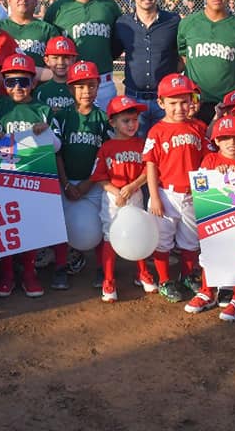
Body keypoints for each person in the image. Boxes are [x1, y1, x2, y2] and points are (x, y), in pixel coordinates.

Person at [0, 53, 53, 298]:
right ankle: (7, 274)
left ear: (34, 83)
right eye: (11, 81)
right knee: (6, 227)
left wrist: (46, 133)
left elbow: (55, 147)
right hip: (4, 179)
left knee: (31, 227)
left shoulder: (42, 110)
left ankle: (29, 272)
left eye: (24, 82)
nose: (18, 87)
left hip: (34, 179)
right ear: (4, 83)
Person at [143, 73, 206, 303]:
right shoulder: (156, 131)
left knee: (190, 240)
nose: (179, 107)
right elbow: (151, 166)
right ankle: (165, 279)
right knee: (163, 240)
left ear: (192, 101)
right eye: (173, 103)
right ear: (161, 103)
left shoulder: (198, 127)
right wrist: (154, 197)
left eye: (184, 101)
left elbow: (207, 158)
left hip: (191, 194)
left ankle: (188, 275)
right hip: (166, 194)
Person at [184, 115, 235, 320]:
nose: (231, 143)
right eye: (225, 138)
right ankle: (208, 291)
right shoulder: (211, 159)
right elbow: (201, 187)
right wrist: (217, 172)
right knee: (208, 255)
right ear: (216, 141)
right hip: (214, 220)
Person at [53, 61, 111, 291]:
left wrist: (88, 184)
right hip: (65, 180)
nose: (86, 91)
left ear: (98, 87)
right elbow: (57, 154)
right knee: (58, 224)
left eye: (91, 85)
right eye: (79, 87)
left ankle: (102, 268)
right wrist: (66, 184)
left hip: (93, 183)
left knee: (99, 220)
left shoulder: (103, 119)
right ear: (70, 89)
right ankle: (60, 266)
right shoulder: (62, 116)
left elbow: (106, 157)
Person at [90, 95, 151, 302]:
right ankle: (109, 279)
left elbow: (148, 171)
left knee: (139, 231)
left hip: (134, 194)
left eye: (134, 119)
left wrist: (132, 186)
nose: (132, 124)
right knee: (111, 236)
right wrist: (116, 192)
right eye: (126, 120)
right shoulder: (106, 147)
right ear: (112, 122)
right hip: (113, 197)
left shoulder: (141, 144)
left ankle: (142, 272)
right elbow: (98, 176)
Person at [44, 0, 122, 113]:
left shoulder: (109, 6)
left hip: (102, 83)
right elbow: (49, 44)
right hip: (70, 82)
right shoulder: (58, 8)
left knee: (107, 132)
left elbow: (117, 44)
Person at [113, 0, 180, 137]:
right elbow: (111, 53)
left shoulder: (173, 21)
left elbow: (184, 56)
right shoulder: (122, 24)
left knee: (166, 151)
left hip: (165, 101)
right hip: (134, 100)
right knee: (136, 151)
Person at [0, 0, 60, 71]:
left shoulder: (48, 30)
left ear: (36, 1)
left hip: (39, 84)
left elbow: (57, 65)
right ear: (9, 0)